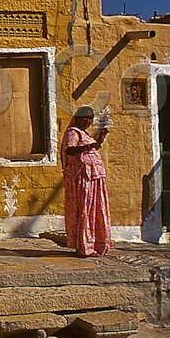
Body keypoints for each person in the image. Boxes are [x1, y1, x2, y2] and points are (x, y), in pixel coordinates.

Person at [62, 105, 112, 257]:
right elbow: (70, 150)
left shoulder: (85, 134)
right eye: (85, 117)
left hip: (93, 178)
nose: (88, 121)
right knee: (85, 209)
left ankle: (95, 243)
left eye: (90, 118)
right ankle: (84, 246)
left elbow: (91, 148)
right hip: (83, 178)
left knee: (94, 210)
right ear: (77, 117)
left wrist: (100, 139)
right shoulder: (73, 133)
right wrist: (88, 146)